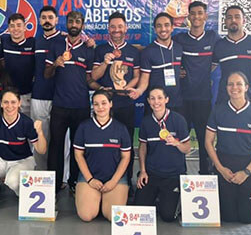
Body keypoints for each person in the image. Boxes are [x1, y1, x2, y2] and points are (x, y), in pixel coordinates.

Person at [206, 72, 251, 223]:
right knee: (227, 217)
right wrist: (221, 169)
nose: (235, 88)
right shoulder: (218, 110)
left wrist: (246, 173)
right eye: (230, 84)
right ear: (226, 88)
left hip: (248, 166)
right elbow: (208, 142)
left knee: (247, 218)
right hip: (224, 164)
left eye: (239, 84)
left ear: (246, 87)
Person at [44, 10, 95, 193]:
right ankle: (54, 185)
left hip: (81, 106)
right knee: (55, 145)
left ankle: (74, 182)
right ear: (66, 23)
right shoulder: (57, 44)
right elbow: (46, 74)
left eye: (78, 21)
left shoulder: (89, 49)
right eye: (71, 21)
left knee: (77, 147)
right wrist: (55, 65)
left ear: (82, 25)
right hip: (59, 106)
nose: (74, 24)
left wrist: (102, 89)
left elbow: (90, 79)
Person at [0, 88, 47, 215]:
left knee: (12, 180)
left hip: (22, 161)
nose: (9, 106)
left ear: (19, 103)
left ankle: (26, 195)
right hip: (1, 161)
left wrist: (40, 132)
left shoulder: (26, 122)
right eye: (6, 102)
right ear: (1, 104)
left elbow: (41, 150)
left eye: (13, 102)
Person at [91, 11, 140, 188]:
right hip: (104, 108)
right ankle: (103, 181)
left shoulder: (133, 51)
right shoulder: (100, 50)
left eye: (120, 26)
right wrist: (105, 63)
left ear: (126, 28)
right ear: (108, 29)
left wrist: (129, 87)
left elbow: (137, 76)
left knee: (126, 147)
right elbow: (94, 77)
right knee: (104, 146)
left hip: (126, 105)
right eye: (113, 26)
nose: (116, 30)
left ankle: (126, 183)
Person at [173, 1, 220, 175]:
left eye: (200, 13)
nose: (196, 16)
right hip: (181, 99)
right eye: (193, 13)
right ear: (188, 17)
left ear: (206, 16)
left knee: (204, 139)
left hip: (203, 99)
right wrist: (178, 70)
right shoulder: (179, 39)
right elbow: (165, 54)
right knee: (180, 139)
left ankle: (205, 176)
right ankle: (178, 176)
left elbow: (220, 58)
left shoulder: (213, 38)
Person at [134, 86, 191, 222]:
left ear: (166, 99)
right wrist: (142, 171)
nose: (156, 102)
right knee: (139, 210)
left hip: (173, 175)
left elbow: (187, 148)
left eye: (160, 98)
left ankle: (167, 197)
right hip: (152, 174)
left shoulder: (178, 120)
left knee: (168, 216)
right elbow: (142, 147)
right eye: (152, 98)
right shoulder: (146, 122)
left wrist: (177, 143)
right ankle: (157, 196)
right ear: (148, 101)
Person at [73, 90, 131, 221]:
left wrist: (113, 181)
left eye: (104, 103)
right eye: (96, 104)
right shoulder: (84, 127)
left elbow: (126, 157)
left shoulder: (121, 128)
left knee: (113, 216)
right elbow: (78, 155)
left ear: (111, 104)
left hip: (115, 178)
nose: (100, 107)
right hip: (90, 176)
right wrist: (90, 179)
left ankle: (104, 199)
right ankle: (94, 199)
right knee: (86, 215)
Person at [32, 6, 71, 173]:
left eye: (50, 17)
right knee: (39, 136)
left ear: (56, 20)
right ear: (40, 21)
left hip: (61, 98)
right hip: (39, 96)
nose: (47, 20)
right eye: (43, 17)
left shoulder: (66, 41)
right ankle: (41, 174)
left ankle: (62, 176)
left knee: (63, 140)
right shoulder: (35, 41)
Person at [133, 13, 184, 116]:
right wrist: (138, 91)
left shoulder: (179, 48)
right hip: (155, 103)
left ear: (172, 27)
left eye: (166, 25)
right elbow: (144, 79)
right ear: (155, 29)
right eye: (159, 26)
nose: (163, 29)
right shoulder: (148, 52)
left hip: (176, 102)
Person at [212, 5, 251, 105]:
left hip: (250, 97)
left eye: (237, 17)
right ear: (225, 21)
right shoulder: (219, 45)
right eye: (229, 17)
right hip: (224, 98)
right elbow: (210, 67)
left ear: (244, 20)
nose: (233, 20)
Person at [0, 13, 35, 117]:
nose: (16, 29)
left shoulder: (33, 43)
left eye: (19, 25)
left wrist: (64, 35)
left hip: (26, 94)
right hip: (7, 95)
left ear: (25, 27)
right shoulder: (3, 41)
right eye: (12, 26)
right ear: (8, 29)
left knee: (27, 127)